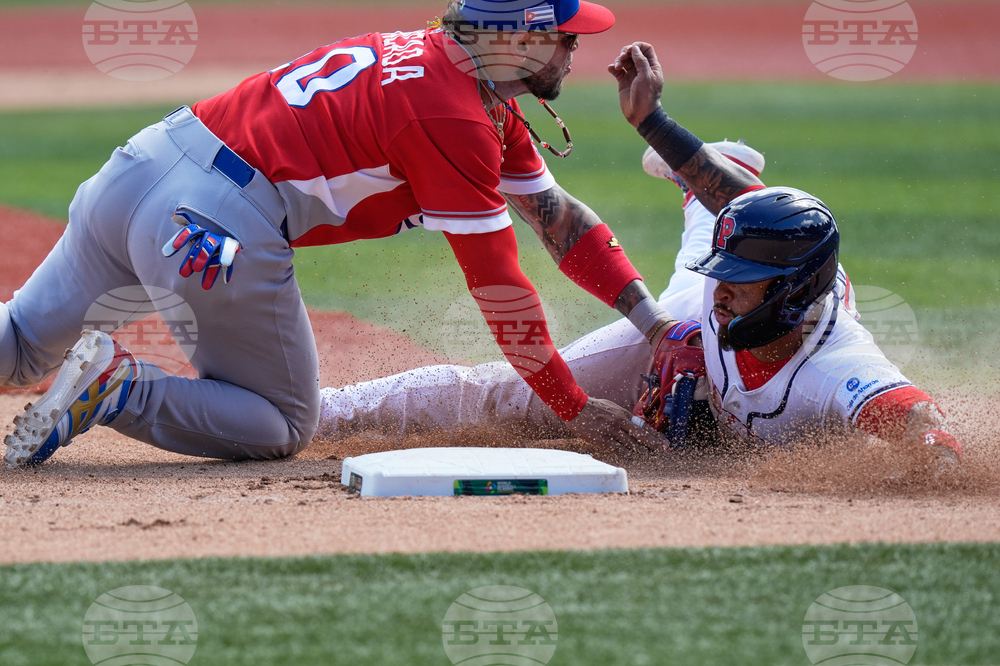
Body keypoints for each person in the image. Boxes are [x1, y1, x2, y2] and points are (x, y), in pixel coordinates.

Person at [2, 1, 671, 468]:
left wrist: (655, 325)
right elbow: (499, 284)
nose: (576, 46)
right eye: (564, 34)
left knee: (21, 345)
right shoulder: (457, 119)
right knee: (282, 423)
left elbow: (558, 221)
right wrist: (571, 406)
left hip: (143, 165)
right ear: (519, 40)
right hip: (215, 225)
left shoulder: (464, 85)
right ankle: (119, 386)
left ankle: (81, 372)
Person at [315, 42, 963, 466]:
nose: (723, 290)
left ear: (791, 295)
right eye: (726, 275)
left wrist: (938, 455)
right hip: (684, 325)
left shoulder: (834, 363)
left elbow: (913, 414)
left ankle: (713, 180)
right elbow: (732, 232)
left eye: (741, 282)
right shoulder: (710, 300)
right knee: (509, 397)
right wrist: (652, 121)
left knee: (717, 231)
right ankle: (322, 415)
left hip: (776, 290)